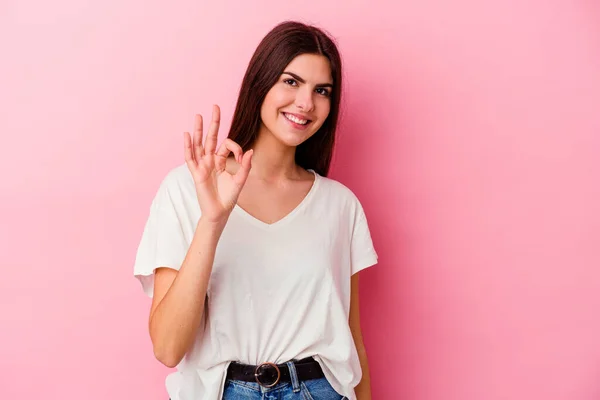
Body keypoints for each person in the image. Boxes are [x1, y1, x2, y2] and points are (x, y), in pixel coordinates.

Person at [133, 20, 378, 400]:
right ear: (260, 82)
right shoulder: (187, 188)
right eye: (291, 81)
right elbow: (167, 348)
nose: (306, 103)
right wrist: (212, 222)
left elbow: (354, 344)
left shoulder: (340, 206)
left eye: (322, 90)